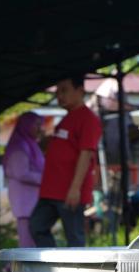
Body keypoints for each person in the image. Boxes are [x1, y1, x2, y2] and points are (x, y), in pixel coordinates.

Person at [31, 76, 101, 247]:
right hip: (50, 190)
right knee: (36, 226)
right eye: (57, 91)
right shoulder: (65, 119)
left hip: (70, 191)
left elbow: (86, 153)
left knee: (74, 237)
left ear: (80, 91)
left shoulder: (88, 118)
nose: (59, 96)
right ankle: (53, 269)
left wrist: (75, 188)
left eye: (64, 90)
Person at [2, 111, 46, 248]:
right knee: (28, 244)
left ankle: (23, 268)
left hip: (31, 202)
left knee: (32, 242)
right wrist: (45, 179)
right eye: (36, 124)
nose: (40, 128)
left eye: (40, 125)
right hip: (25, 203)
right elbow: (21, 173)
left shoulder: (30, 144)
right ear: (27, 125)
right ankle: (17, 268)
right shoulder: (19, 146)